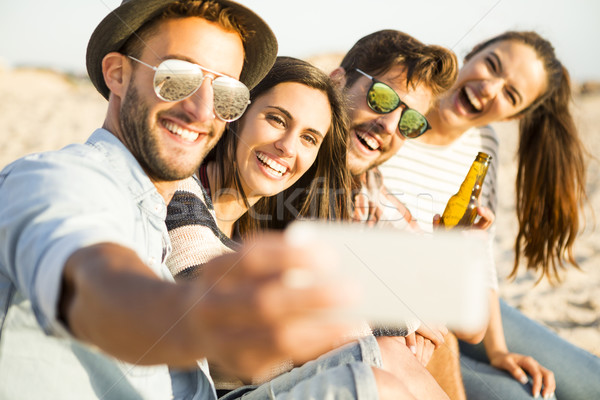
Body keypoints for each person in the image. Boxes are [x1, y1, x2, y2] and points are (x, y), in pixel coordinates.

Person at [0, 1, 423, 399]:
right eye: (178, 78)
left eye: (226, 94)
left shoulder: (160, 216)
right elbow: (94, 281)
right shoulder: (64, 178)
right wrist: (196, 316)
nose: (202, 109)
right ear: (118, 74)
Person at [166, 55, 451, 400]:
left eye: (309, 138)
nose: (287, 147)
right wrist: (401, 318)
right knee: (385, 357)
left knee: (399, 353)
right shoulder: (181, 188)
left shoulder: (277, 218)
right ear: (238, 114)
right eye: (276, 119)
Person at [379, 30, 599, 399]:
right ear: (474, 51)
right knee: (521, 396)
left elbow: (478, 254)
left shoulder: (485, 144)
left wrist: (498, 350)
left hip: (461, 298)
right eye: (491, 65)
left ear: (517, 114)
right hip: (403, 305)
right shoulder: (395, 112)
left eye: (510, 95)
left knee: (589, 379)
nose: (489, 88)